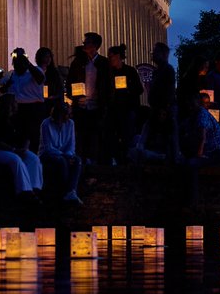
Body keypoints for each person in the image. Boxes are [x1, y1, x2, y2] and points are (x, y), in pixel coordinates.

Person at [0, 93, 43, 196]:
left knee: (33, 159)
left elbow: (26, 135)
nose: (17, 104)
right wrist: (14, 150)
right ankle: (24, 190)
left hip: (15, 149)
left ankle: (35, 187)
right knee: (15, 160)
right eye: (14, 102)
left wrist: (24, 148)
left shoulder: (17, 119)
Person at [67, 32, 110, 164]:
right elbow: (70, 83)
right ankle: (81, 161)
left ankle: (95, 161)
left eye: (87, 42)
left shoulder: (104, 63)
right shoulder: (78, 63)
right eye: (84, 42)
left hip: (97, 107)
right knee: (81, 135)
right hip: (81, 107)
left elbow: (109, 86)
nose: (84, 44)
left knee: (95, 135)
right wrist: (74, 97)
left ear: (95, 46)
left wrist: (103, 102)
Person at [0, 49, 46, 148]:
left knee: (33, 138)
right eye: (15, 62)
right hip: (17, 109)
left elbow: (40, 79)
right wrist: (6, 86)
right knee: (18, 138)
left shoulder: (35, 71)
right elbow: (2, 89)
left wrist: (28, 63)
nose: (17, 64)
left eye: (20, 61)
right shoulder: (12, 75)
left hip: (33, 109)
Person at [39, 99, 82, 203]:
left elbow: (71, 145)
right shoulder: (46, 124)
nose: (68, 117)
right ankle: (64, 191)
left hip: (63, 153)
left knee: (77, 160)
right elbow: (48, 147)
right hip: (47, 154)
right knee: (61, 161)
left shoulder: (70, 124)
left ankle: (71, 191)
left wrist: (68, 155)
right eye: (66, 114)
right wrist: (64, 155)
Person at [107, 45, 144, 163]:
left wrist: (127, 90)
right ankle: (117, 158)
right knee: (113, 135)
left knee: (127, 135)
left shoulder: (130, 71)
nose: (109, 59)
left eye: (111, 56)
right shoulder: (109, 73)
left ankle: (127, 160)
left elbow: (139, 89)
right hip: (113, 110)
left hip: (128, 109)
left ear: (118, 56)